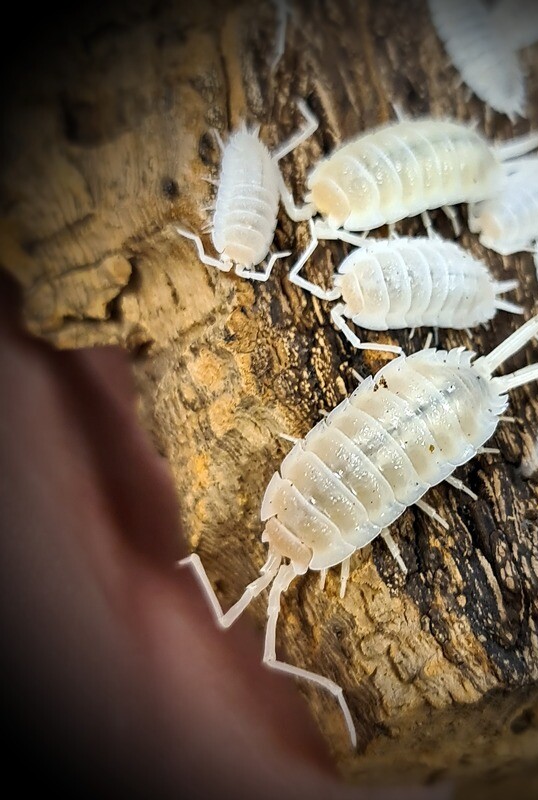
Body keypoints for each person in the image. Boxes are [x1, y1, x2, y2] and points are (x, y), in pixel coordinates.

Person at [0, 275, 450, 800]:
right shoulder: (290, 501)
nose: (274, 567)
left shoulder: (312, 530)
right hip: (428, 425)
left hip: (418, 408)